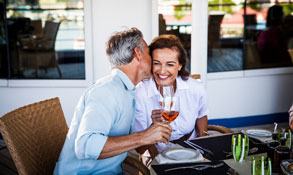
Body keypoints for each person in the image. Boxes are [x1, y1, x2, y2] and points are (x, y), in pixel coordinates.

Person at [54, 28, 172, 175]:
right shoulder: (106, 91)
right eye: (149, 53)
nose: (153, 61)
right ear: (138, 54)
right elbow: (85, 146)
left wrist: (150, 131)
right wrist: (144, 137)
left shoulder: (127, 90)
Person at [132, 34, 208, 155]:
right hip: (157, 152)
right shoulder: (140, 94)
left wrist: (203, 145)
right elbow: (140, 149)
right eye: (157, 63)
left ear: (180, 66)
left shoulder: (196, 88)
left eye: (170, 64)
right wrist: (152, 129)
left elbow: (201, 115)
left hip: (191, 148)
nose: (162, 71)